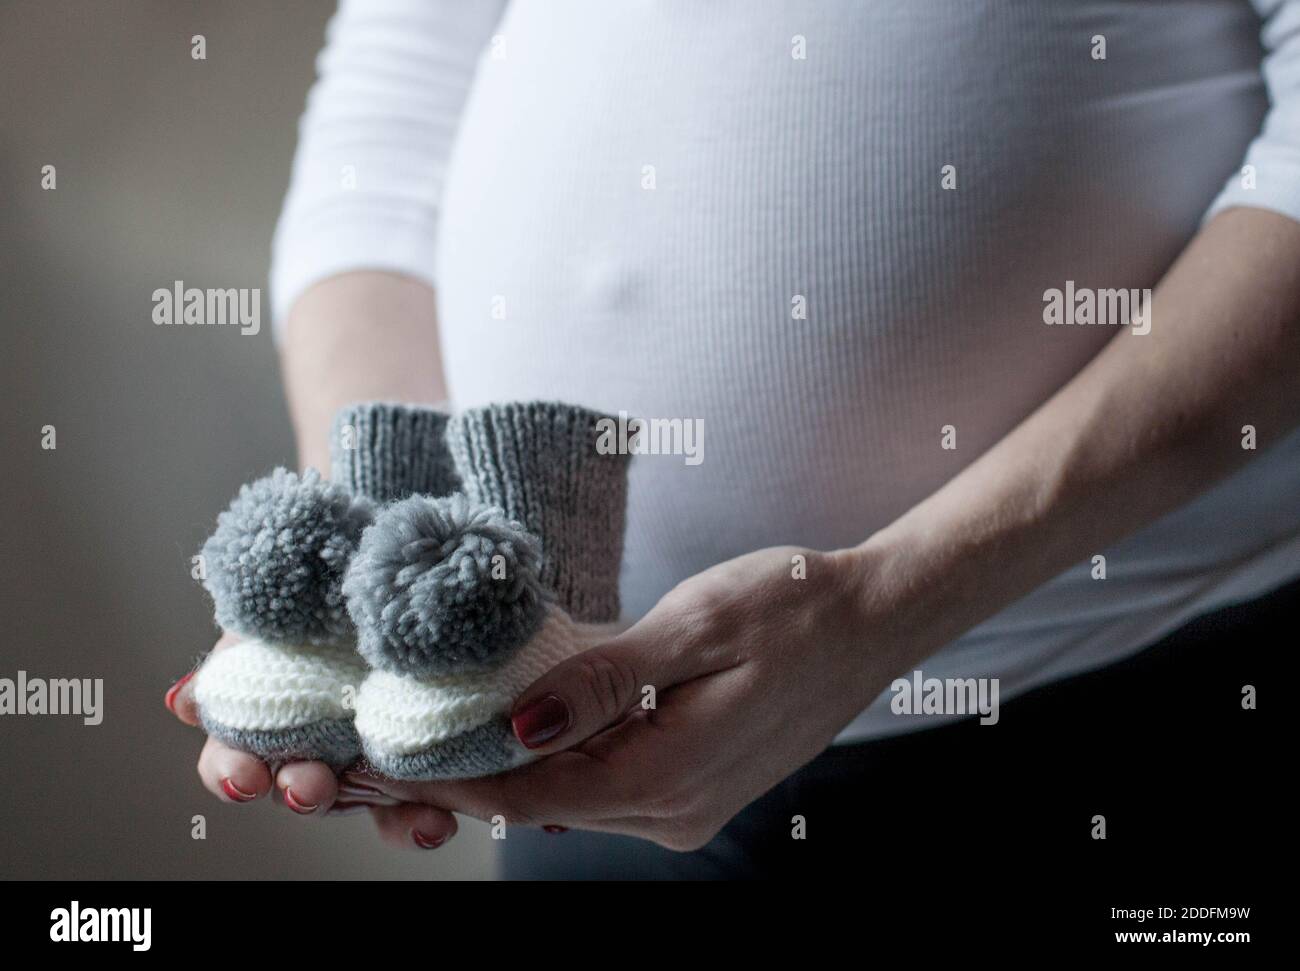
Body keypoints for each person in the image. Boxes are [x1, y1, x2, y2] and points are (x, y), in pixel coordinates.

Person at [167, 0, 1300, 878]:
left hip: (1107, 690)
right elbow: (397, 91)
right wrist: (374, 551)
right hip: (577, 763)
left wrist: (893, 596)